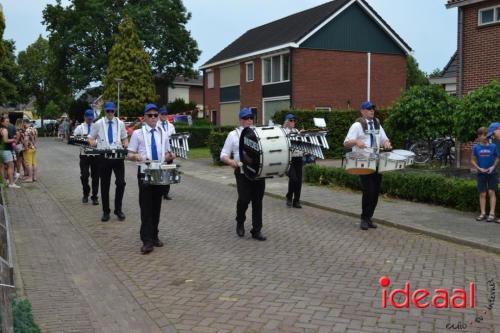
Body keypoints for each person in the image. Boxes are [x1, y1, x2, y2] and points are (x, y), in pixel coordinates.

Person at [128, 103, 175, 254]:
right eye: (150, 115)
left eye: (156, 115)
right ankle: (146, 240)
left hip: (160, 172)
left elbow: (167, 154)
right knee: (146, 207)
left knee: (157, 207)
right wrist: (138, 156)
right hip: (145, 172)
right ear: (144, 117)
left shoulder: (163, 132)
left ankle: (154, 236)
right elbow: (129, 154)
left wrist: (171, 156)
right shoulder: (137, 134)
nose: (154, 117)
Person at [343, 101, 392, 230]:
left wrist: (386, 143)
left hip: (376, 162)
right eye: (369, 109)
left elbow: (384, 139)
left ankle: (369, 218)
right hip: (363, 163)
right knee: (368, 191)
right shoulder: (357, 125)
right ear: (362, 111)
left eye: (373, 109)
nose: (372, 111)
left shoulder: (377, 123)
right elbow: (346, 143)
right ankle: (364, 219)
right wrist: (356, 141)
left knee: (375, 192)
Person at [220, 108, 266, 241]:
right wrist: (230, 161)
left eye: (251, 118)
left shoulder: (259, 133)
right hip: (241, 172)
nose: (249, 121)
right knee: (244, 200)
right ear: (240, 120)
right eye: (246, 118)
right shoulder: (233, 135)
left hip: (258, 172)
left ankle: (256, 230)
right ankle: (240, 221)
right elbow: (223, 155)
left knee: (258, 201)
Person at [88, 101, 128, 222]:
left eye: (112, 111)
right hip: (104, 157)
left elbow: (124, 137)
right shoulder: (98, 123)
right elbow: (90, 138)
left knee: (121, 183)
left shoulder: (120, 123)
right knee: (105, 185)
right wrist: (94, 143)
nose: (110, 113)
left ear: (114, 111)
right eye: (108, 111)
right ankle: (106, 211)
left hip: (118, 157)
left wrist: (126, 144)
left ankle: (118, 209)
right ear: (104, 111)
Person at [472, 127, 499, 222]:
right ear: (479, 136)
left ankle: (492, 213)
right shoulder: (476, 147)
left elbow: (497, 158)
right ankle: (483, 213)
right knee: (482, 193)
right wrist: (479, 168)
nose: (485, 137)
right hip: (481, 173)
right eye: (482, 135)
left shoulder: (493, 146)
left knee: (491, 192)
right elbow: (473, 160)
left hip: (492, 172)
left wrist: (493, 167)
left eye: (486, 135)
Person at [74, 109, 99, 205]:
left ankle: (95, 196)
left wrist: (94, 143)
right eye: (88, 118)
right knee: (84, 175)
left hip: (95, 155)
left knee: (95, 176)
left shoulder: (96, 127)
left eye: (91, 118)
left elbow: (101, 139)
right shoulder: (80, 127)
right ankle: (86, 193)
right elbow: (74, 139)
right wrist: (85, 141)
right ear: (84, 117)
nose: (90, 120)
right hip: (84, 155)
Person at [283, 113, 304, 208]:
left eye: (294, 120)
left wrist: (303, 135)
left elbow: (301, 144)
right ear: (287, 122)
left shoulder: (297, 131)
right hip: (289, 159)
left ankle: (296, 201)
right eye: (291, 120)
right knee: (293, 179)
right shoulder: (283, 132)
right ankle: (289, 197)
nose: (293, 122)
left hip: (299, 157)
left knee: (299, 180)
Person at [157, 107, 176, 200]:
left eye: (165, 114)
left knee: (168, 171)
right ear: (159, 115)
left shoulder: (171, 126)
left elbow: (174, 138)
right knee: (159, 171)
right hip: (160, 151)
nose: (164, 116)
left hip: (169, 151)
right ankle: (159, 192)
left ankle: (166, 193)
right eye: (162, 114)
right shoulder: (156, 125)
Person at [0, 117, 19, 188]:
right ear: (2, 122)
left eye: (9, 121)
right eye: (7, 121)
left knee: (2, 167)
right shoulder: (4, 130)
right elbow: (5, 140)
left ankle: (3, 183)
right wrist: (13, 139)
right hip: (6, 150)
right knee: (11, 166)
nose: (8, 123)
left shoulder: (1, 129)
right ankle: (11, 183)